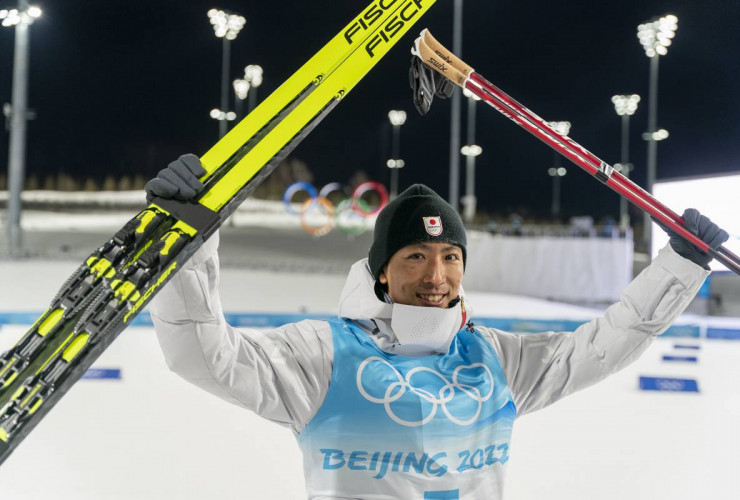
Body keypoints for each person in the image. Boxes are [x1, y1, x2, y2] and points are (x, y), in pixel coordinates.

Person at [147, 155, 728, 499]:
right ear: (380, 273)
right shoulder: (323, 356)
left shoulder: (493, 359)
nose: (437, 275)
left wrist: (680, 263)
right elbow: (203, 354)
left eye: (450, 256)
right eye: (415, 256)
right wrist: (186, 239)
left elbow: (600, 347)